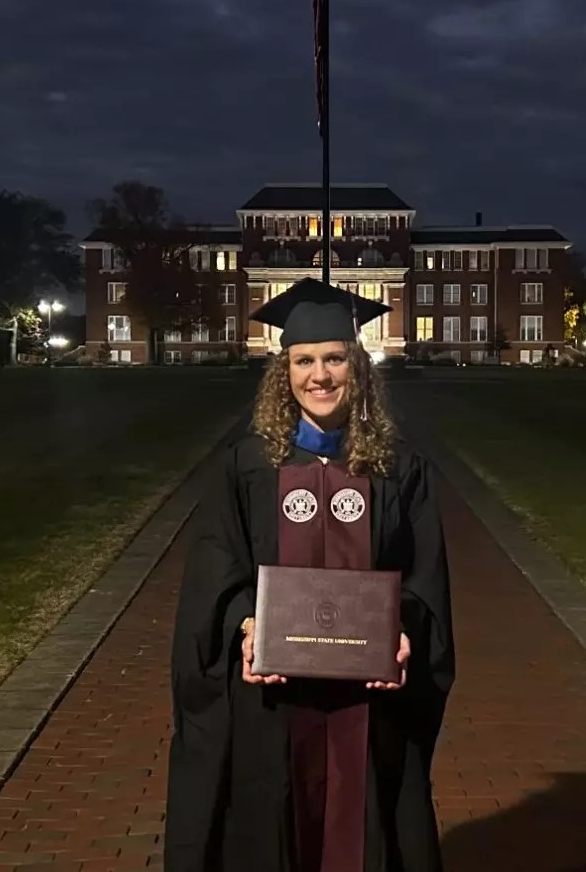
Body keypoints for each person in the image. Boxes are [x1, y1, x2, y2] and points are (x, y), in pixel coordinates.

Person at [166, 278, 456, 872]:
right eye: (303, 361)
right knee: (273, 819)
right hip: (275, 700)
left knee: (362, 814)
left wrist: (403, 632)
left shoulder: (399, 468)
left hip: (366, 698)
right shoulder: (249, 465)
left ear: (358, 367)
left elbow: (424, 575)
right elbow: (218, 563)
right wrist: (246, 623)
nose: (319, 376)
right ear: (284, 371)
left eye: (333, 359)